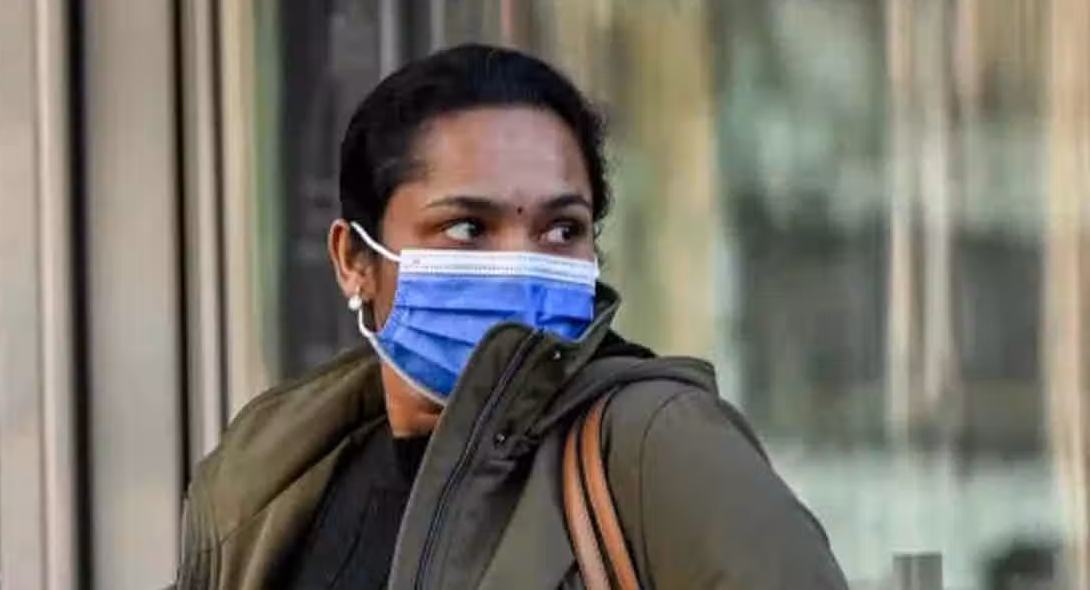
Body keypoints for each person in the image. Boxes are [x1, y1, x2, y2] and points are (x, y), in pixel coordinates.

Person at [172, 44, 848, 590]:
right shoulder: (275, 472)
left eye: (561, 229)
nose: (520, 266)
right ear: (355, 259)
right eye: (468, 227)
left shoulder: (656, 445)